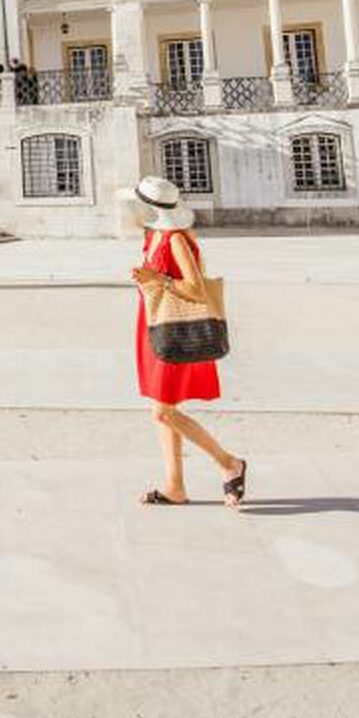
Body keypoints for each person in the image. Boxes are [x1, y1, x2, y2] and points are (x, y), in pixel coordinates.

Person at [128, 175, 247, 508]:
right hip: (154, 327)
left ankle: (228, 463)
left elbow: (195, 288)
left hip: (175, 330)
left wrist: (158, 278)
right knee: (163, 409)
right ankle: (175, 486)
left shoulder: (176, 239)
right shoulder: (153, 236)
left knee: (163, 413)